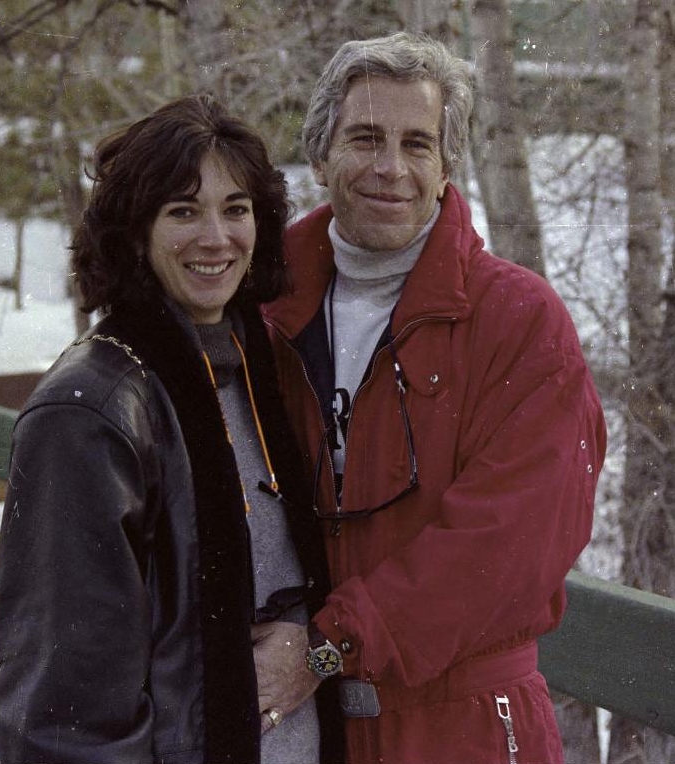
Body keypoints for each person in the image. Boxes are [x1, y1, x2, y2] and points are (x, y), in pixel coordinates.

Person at [259, 32, 607, 764]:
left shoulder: (518, 321)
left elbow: (509, 547)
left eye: (418, 144)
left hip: (465, 728)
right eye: (365, 138)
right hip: (306, 731)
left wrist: (328, 647)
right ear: (320, 157)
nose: (390, 168)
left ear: (448, 169)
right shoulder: (264, 311)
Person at [0, 94, 342, 764]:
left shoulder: (253, 369)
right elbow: (62, 714)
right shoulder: (91, 410)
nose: (216, 237)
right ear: (134, 230)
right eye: (182, 211)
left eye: (236, 209)